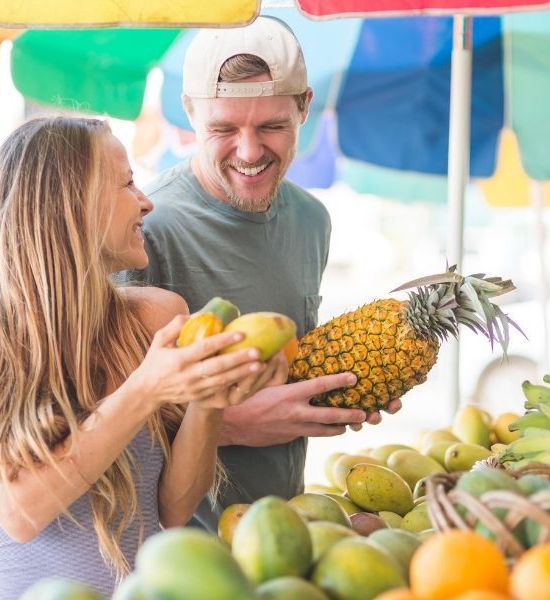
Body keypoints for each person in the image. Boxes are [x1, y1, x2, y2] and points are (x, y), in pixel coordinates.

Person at [0, 116, 285, 599]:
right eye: (128, 182)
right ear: (69, 204)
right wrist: (145, 388)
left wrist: (208, 399)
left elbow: (174, 509)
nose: (147, 201)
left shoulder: (156, 314)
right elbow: (21, 511)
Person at [123, 16, 402, 531]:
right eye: (223, 129)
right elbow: (100, 418)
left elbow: (286, 367)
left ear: (304, 107)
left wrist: (353, 385)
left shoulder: (311, 220)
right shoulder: (145, 230)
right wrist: (230, 424)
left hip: (281, 531)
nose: (250, 152)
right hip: (173, 550)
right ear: (189, 113)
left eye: (271, 126)